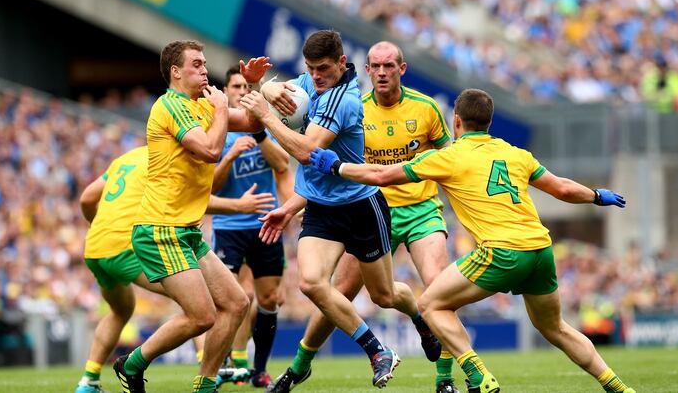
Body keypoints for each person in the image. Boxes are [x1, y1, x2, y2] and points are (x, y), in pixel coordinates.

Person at [309, 88, 635, 393]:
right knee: (556, 329)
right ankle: (619, 387)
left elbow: (381, 176)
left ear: (456, 121)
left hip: (502, 252)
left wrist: (336, 166)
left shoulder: (449, 157)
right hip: (540, 250)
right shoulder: (515, 153)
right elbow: (562, 188)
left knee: (429, 304)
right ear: (489, 121)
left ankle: (478, 375)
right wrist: (596, 196)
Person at [239, 30, 439, 389]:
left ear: (342, 65)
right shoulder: (311, 82)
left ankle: (418, 315)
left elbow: (306, 152)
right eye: (311, 69)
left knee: (384, 295)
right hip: (321, 209)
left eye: (324, 69)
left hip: (362, 206)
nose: (316, 77)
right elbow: (280, 88)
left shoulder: (343, 99)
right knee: (311, 283)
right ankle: (378, 351)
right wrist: (263, 87)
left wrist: (267, 116)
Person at [113, 39, 275, 393]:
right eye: (197, 65)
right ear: (176, 71)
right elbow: (210, 150)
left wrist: (253, 86)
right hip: (160, 229)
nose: (205, 70)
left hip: (185, 231)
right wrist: (220, 109)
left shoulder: (202, 104)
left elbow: (252, 121)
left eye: (204, 64)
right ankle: (133, 363)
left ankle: (205, 384)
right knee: (202, 316)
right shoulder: (170, 106)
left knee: (236, 303)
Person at [75, 145, 277, 393]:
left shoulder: (127, 158)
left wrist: (100, 227)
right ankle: (206, 365)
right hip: (127, 246)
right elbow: (192, 201)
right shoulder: (169, 158)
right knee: (198, 299)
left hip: (96, 247)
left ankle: (88, 382)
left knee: (121, 310)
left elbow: (87, 198)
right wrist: (239, 206)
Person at [210, 66, 290, 387]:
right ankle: (230, 363)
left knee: (269, 298)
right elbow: (211, 190)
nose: (242, 92)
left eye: (246, 86)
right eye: (236, 87)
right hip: (228, 225)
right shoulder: (217, 131)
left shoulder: (264, 127)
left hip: (264, 223)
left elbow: (283, 164)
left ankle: (259, 369)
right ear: (226, 92)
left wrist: (257, 138)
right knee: (231, 297)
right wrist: (229, 156)